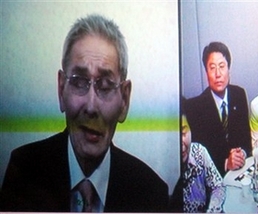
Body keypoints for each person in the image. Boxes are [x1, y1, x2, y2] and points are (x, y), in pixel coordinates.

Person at [0, 14, 168, 212]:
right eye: (79, 82)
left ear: (124, 100)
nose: (91, 106)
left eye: (105, 86)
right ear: (61, 88)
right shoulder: (24, 171)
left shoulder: (150, 193)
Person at [184, 41, 251, 177]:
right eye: (212, 68)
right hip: (213, 180)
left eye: (222, 66)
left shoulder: (239, 94)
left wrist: (241, 154)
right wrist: (226, 162)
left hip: (240, 173)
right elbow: (199, 159)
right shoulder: (195, 108)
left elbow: (246, 140)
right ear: (206, 73)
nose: (218, 74)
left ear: (229, 69)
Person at [179, 110, 225, 212]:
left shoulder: (199, 152)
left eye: (183, 133)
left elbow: (218, 186)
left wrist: (212, 210)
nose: (179, 143)